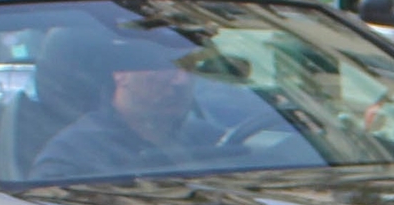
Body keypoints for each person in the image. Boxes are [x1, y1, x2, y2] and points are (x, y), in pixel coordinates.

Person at [31, 31, 279, 180]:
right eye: (164, 67)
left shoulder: (210, 140)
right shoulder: (75, 157)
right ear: (120, 74)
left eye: (188, 67)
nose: (180, 80)